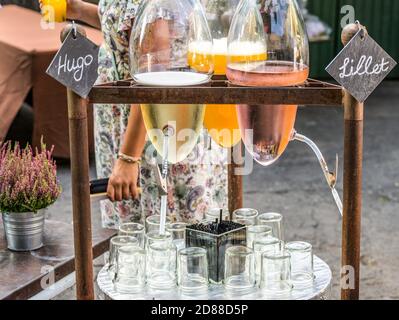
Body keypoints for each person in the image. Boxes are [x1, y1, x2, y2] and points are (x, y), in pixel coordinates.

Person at [40, 0, 228, 227]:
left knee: (163, 236)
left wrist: (128, 157)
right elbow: (128, 26)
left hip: (156, 132)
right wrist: (77, 9)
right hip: (131, 126)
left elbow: (154, 77)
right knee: (140, 237)